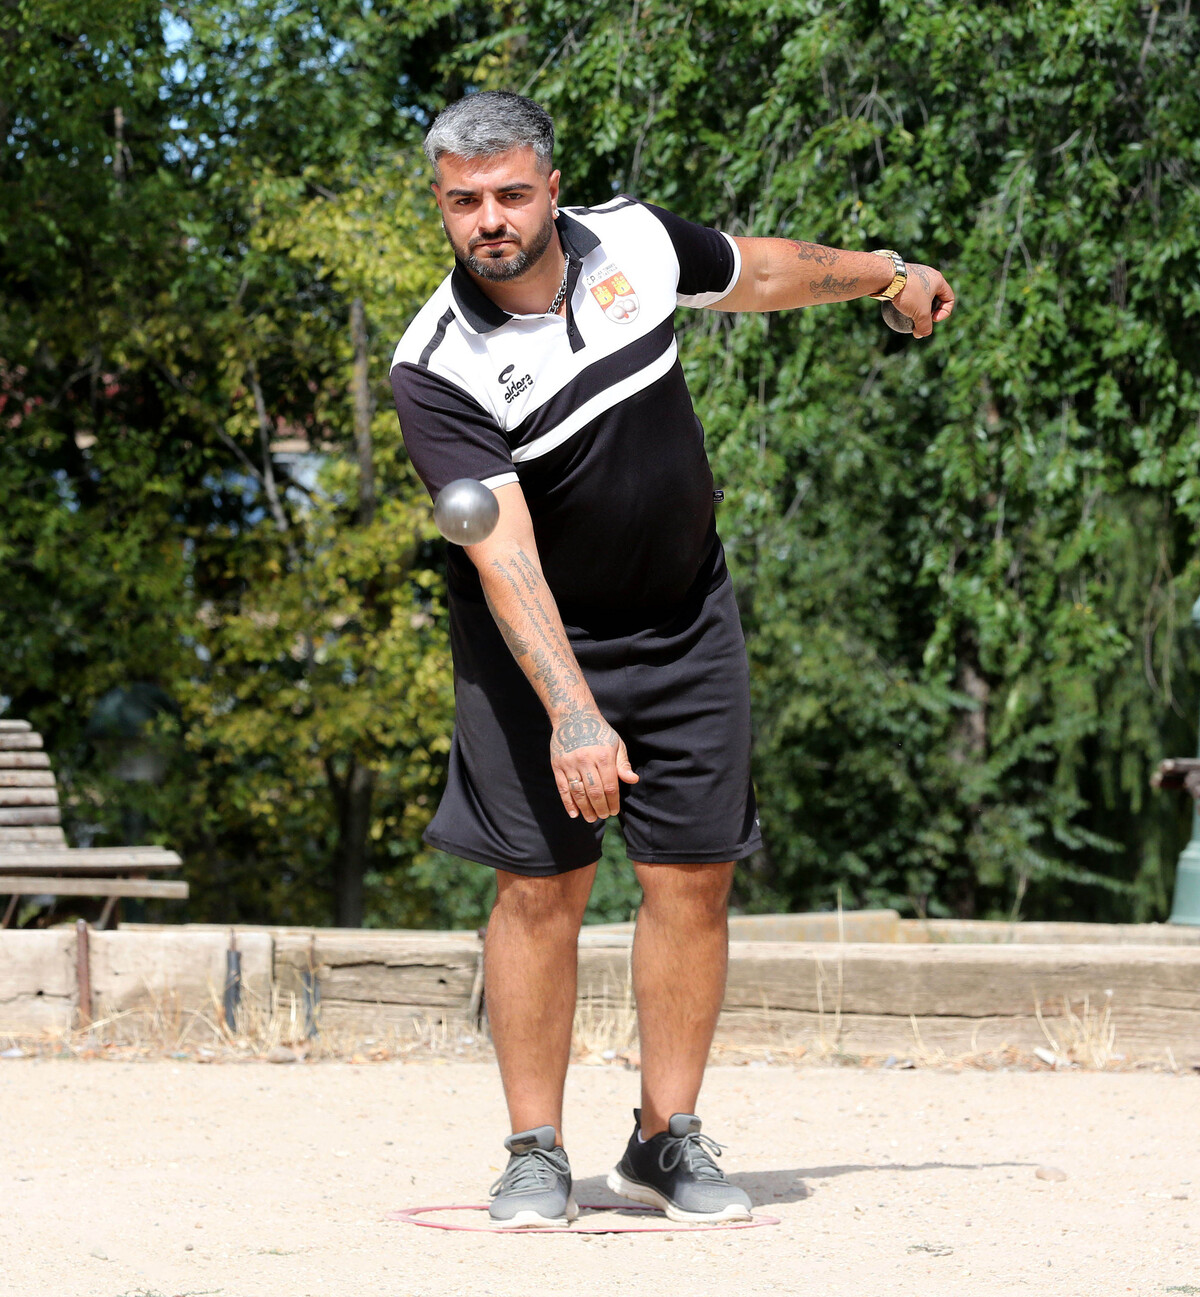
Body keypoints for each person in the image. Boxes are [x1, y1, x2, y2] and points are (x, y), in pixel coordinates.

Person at [390, 91, 955, 1228]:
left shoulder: (635, 245)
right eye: (464, 202)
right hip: (533, 646)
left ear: (551, 187)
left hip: (686, 617)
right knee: (541, 887)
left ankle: (664, 1138)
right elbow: (507, 562)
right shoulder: (435, 363)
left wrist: (887, 275)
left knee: (692, 875)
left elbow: (764, 270)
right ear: (443, 210)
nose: (489, 219)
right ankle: (536, 1153)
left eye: (508, 193)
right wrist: (574, 713)